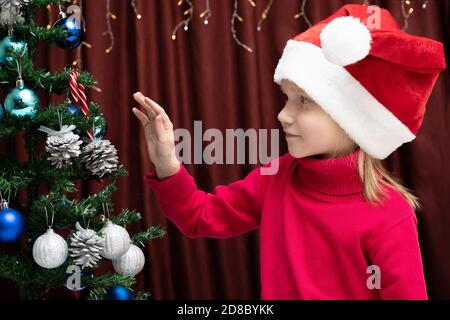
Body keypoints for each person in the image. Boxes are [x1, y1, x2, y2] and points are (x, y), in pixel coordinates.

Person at [131, 4, 446, 299]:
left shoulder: (390, 214)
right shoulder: (276, 178)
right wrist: (166, 163)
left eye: (304, 100)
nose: (283, 115)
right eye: (286, 98)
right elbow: (200, 217)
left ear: (350, 118)